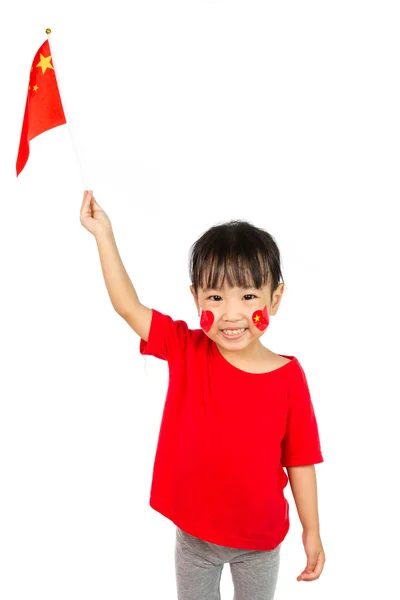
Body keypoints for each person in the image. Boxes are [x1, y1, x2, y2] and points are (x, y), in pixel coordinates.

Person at [80, 189, 326, 599]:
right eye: (216, 297)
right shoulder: (186, 348)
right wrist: (104, 235)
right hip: (195, 538)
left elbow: (301, 460)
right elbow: (128, 307)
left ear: (275, 298)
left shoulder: (288, 376)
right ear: (195, 297)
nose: (231, 314)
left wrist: (312, 529)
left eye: (248, 297)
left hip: (260, 541)